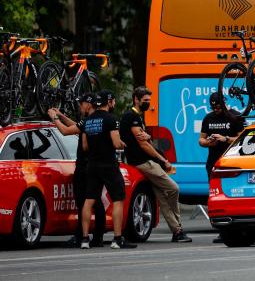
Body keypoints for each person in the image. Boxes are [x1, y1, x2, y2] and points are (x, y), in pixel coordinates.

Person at [51, 90, 136, 249]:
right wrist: (121, 144)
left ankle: (84, 239)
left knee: (88, 201)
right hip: (108, 164)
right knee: (118, 199)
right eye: (113, 101)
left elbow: (85, 146)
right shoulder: (111, 119)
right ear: (109, 102)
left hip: (91, 166)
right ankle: (117, 239)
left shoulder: (88, 121)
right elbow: (116, 143)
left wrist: (59, 116)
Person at [120, 86, 192, 243]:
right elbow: (144, 145)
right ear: (136, 99)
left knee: (163, 197)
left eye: (149, 100)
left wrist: (148, 137)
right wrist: (163, 160)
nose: (148, 103)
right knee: (173, 188)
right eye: (145, 100)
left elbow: (146, 141)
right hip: (143, 163)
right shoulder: (131, 117)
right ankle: (178, 225)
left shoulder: (138, 117)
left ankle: (177, 231)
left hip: (145, 162)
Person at [49, 93, 106, 248]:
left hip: (84, 167)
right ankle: (98, 237)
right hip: (97, 165)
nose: (80, 107)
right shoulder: (97, 120)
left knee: (83, 203)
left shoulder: (88, 121)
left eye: (81, 104)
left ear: (88, 104)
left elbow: (66, 131)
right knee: (96, 201)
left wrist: (55, 118)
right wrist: (62, 115)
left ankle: (80, 236)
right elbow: (77, 127)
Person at [198, 92, 255, 244]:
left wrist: (225, 139)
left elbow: (243, 139)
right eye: (213, 107)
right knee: (217, 197)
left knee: (238, 197)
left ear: (224, 103)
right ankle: (223, 230)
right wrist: (208, 142)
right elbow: (201, 140)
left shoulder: (235, 116)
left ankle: (252, 232)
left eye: (218, 107)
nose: (216, 110)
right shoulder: (208, 118)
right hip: (214, 163)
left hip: (233, 163)